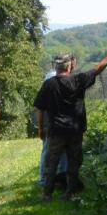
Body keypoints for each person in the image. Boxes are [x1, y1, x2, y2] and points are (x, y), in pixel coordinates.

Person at [34, 42, 107, 200]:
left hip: (56, 131)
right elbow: (98, 69)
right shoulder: (78, 80)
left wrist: (40, 129)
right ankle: (70, 192)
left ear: (56, 67)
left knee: (51, 162)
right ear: (69, 67)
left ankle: (47, 194)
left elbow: (39, 108)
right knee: (74, 162)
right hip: (75, 130)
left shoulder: (49, 84)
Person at [38, 61, 69, 195]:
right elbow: (40, 108)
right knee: (48, 151)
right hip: (51, 122)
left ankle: (60, 179)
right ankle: (45, 179)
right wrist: (41, 128)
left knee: (61, 153)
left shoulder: (54, 80)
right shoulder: (51, 80)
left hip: (59, 123)